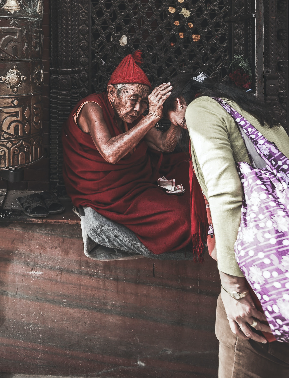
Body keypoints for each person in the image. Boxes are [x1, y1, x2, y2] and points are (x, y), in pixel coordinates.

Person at [165, 73, 289, 377]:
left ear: (178, 103)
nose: (178, 127)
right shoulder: (245, 109)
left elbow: (225, 194)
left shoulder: (199, 109)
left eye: (172, 121)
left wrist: (234, 289)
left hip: (259, 281)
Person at [62, 51, 193, 255]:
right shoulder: (92, 108)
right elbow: (110, 153)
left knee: (189, 168)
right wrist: (151, 117)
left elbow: (163, 145)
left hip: (137, 180)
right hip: (108, 193)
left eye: (143, 102)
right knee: (181, 217)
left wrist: (177, 120)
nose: (138, 108)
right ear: (112, 93)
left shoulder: (132, 115)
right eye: (133, 99)